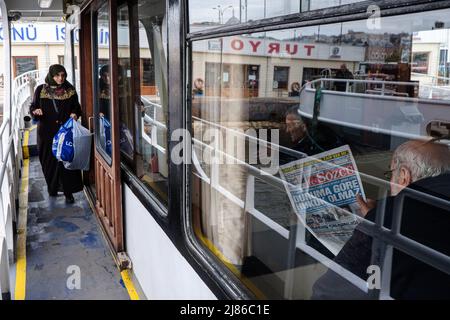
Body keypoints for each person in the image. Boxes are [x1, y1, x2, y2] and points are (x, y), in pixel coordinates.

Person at [312, 139, 450, 299]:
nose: (390, 181)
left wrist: (376, 221)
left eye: (391, 174)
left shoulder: (393, 216)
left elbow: (330, 292)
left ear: (404, 176)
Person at [29, 64, 83, 204]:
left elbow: (77, 107)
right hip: (46, 133)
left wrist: (75, 114)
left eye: (63, 75)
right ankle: (52, 187)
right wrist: (36, 112)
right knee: (48, 162)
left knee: (66, 160)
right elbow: (33, 106)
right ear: (51, 75)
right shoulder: (41, 90)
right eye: (57, 75)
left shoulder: (69, 90)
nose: (60, 78)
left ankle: (68, 192)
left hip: (65, 133)